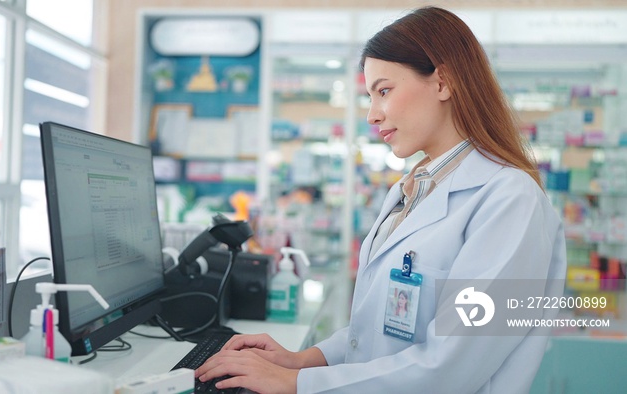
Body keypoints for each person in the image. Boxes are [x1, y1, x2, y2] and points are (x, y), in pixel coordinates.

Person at [195, 6, 567, 393]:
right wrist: (304, 359)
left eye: (384, 91)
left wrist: (296, 383)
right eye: (370, 96)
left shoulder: (510, 200)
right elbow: (382, 329)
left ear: (443, 82)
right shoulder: (411, 190)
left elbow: (449, 367)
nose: (372, 115)